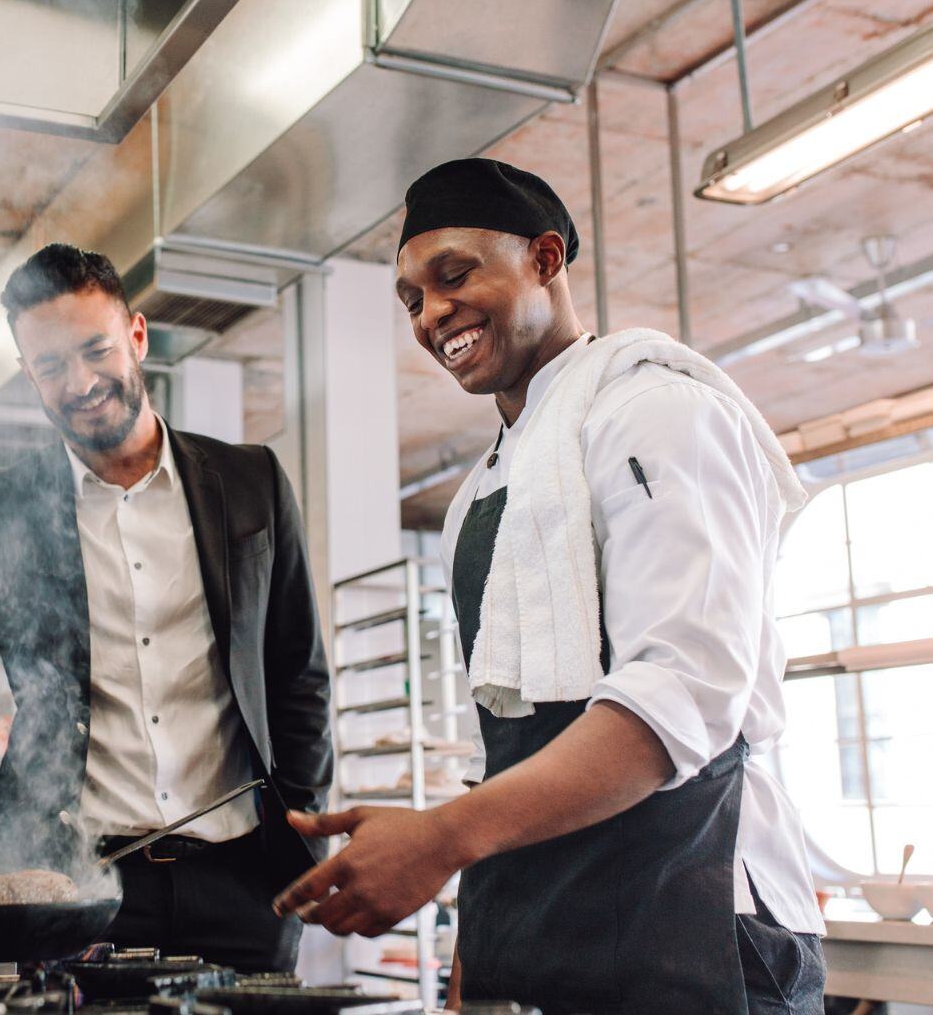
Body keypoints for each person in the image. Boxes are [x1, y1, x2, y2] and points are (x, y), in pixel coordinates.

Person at [273, 159, 826, 1013]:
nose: (432, 314)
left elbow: (678, 697)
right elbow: (511, 745)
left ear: (544, 258)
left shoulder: (657, 414)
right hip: (550, 934)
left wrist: (441, 841)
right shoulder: (481, 498)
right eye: (412, 299)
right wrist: (478, 941)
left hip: (698, 927)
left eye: (454, 275)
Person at [0, 243, 332, 972]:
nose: (78, 382)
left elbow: (298, 676)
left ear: (136, 336)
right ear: (26, 373)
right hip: (70, 890)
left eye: (95, 349)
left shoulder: (251, 481)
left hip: (243, 887)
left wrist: (300, 842)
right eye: (49, 366)